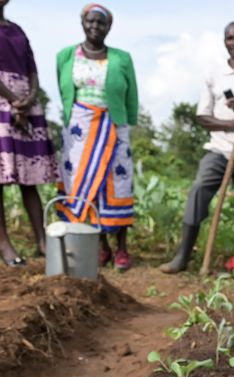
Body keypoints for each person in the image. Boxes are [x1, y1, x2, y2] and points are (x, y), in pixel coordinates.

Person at [160, 22, 234, 275]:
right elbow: (203, 117)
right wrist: (231, 123)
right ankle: (182, 257)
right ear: (225, 42)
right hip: (219, 151)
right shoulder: (213, 75)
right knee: (198, 192)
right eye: (230, 38)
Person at [0, 0, 57, 266]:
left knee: (30, 178)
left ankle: (42, 241)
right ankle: (4, 244)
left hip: (25, 101)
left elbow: (32, 70)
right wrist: (12, 99)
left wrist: (29, 98)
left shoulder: (17, 30)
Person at [55, 4, 139, 271]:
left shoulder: (122, 58)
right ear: (83, 22)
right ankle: (100, 246)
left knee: (117, 184)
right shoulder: (65, 55)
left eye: (101, 23)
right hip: (79, 130)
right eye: (90, 21)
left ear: (109, 27)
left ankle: (122, 248)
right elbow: (64, 90)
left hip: (114, 126)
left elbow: (131, 96)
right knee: (85, 184)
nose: (95, 27)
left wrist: (126, 125)